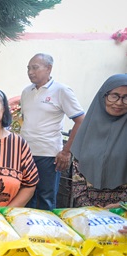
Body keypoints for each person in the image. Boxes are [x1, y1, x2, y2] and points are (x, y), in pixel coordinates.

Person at [20, 53, 85, 210]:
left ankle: (45, 234)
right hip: (24, 155)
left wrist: (66, 151)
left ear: (49, 68)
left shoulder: (61, 90)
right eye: (28, 68)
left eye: (35, 68)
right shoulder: (26, 92)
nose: (30, 72)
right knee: (25, 198)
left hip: (48, 156)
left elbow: (81, 120)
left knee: (45, 200)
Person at [70, 74, 127, 208]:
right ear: (103, 96)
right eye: (114, 95)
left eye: (126, 98)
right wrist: (89, 207)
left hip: (123, 216)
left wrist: (122, 205)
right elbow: (77, 174)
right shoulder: (87, 131)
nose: (119, 102)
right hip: (87, 213)